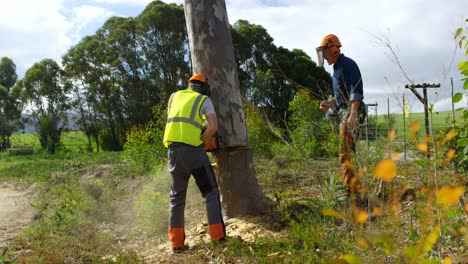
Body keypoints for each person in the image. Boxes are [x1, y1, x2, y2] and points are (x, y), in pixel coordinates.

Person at [163, 73, 225, 253]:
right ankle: (218, 237)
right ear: (205, 88)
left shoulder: (174, 97)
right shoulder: (203, 100)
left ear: (189, 85)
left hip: (173, 152)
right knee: (211, 193)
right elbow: (212, 127)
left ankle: (177, 245)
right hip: (194, 153)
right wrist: (205, 140)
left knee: (176, 198)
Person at [316, 34, 366, 194]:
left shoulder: (348, 64)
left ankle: (350, 190)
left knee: (345, 150)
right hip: (345, 109)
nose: (323, 57)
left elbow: (356, 91)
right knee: (348, 150)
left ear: (334, 49)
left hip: (353, 109)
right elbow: (340, 97)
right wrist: (328, 103)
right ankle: (354, 186)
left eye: (325, 53)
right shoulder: (336, 70)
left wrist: (353, 115)